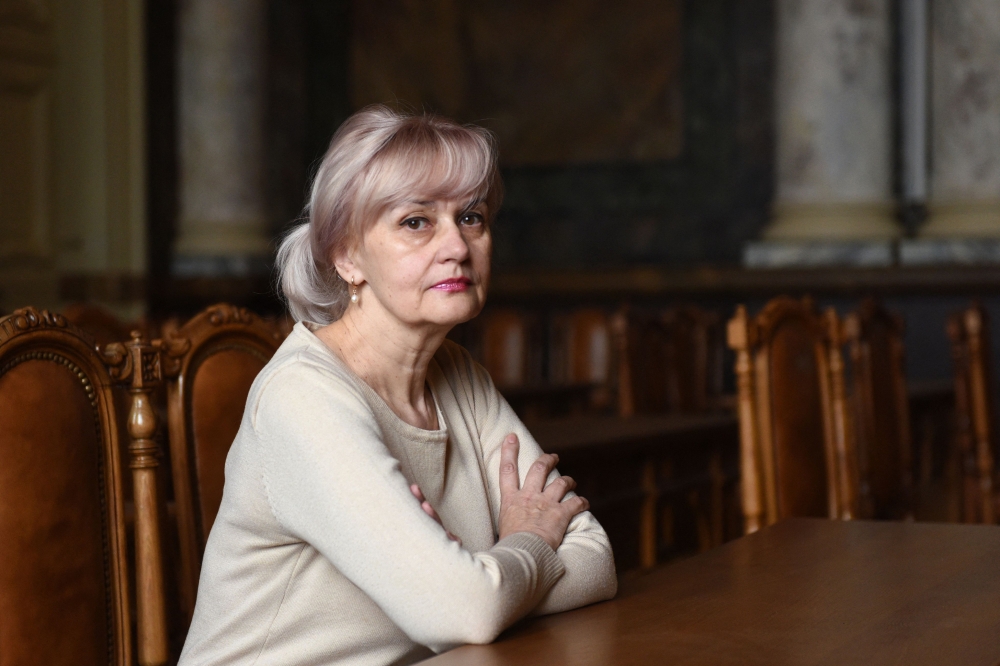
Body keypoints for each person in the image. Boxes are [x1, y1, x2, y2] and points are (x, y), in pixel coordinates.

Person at [178, 106, 617, 665]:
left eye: (472, 217)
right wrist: (526, 545)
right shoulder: (302, 398)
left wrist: (483, 580)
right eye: (417, 222)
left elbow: (596, 559)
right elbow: (465, 612)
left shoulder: (458, 374)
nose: (457, 246)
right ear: (346, 255)